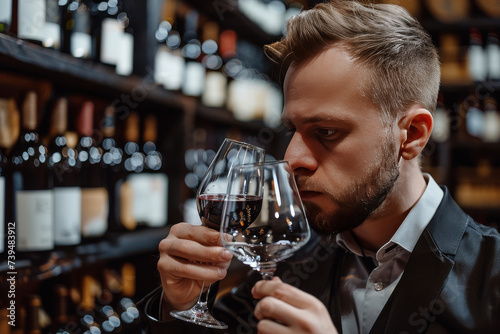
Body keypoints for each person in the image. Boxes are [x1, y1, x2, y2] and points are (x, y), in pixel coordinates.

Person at [139, 1, 500, 333]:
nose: (293, 158)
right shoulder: (290, 253)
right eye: (292, 130)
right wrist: (178, 305)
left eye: (326, 131)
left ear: (412, 135)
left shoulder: (492, 277)